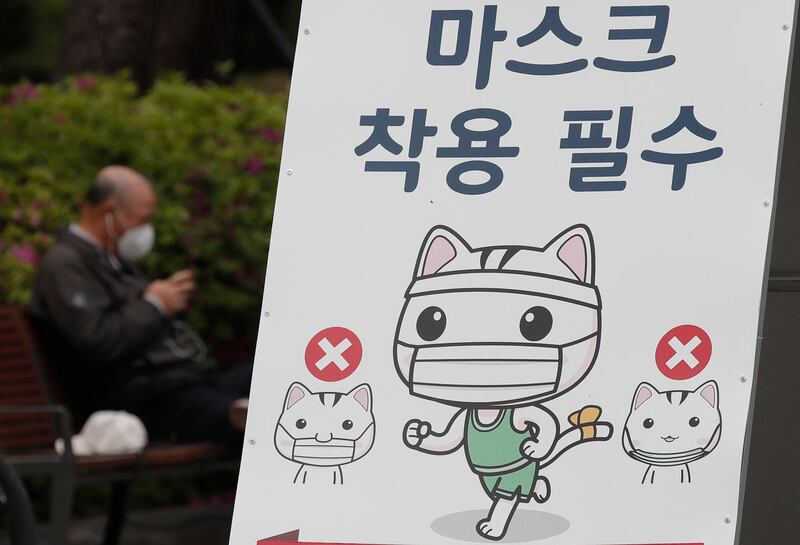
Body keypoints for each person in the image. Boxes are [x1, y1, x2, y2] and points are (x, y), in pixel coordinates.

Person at [31, 166, 252, 445]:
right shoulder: (64, 265)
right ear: (109, 213)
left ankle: (241, 411)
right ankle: (240, 415)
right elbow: (98, 340)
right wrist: (154, 304)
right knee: (210, 407)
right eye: (142, 219)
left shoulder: (116, 262)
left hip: (182, 383)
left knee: (265, 373)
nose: (146, 230)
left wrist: (164, 302)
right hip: (138, 397)